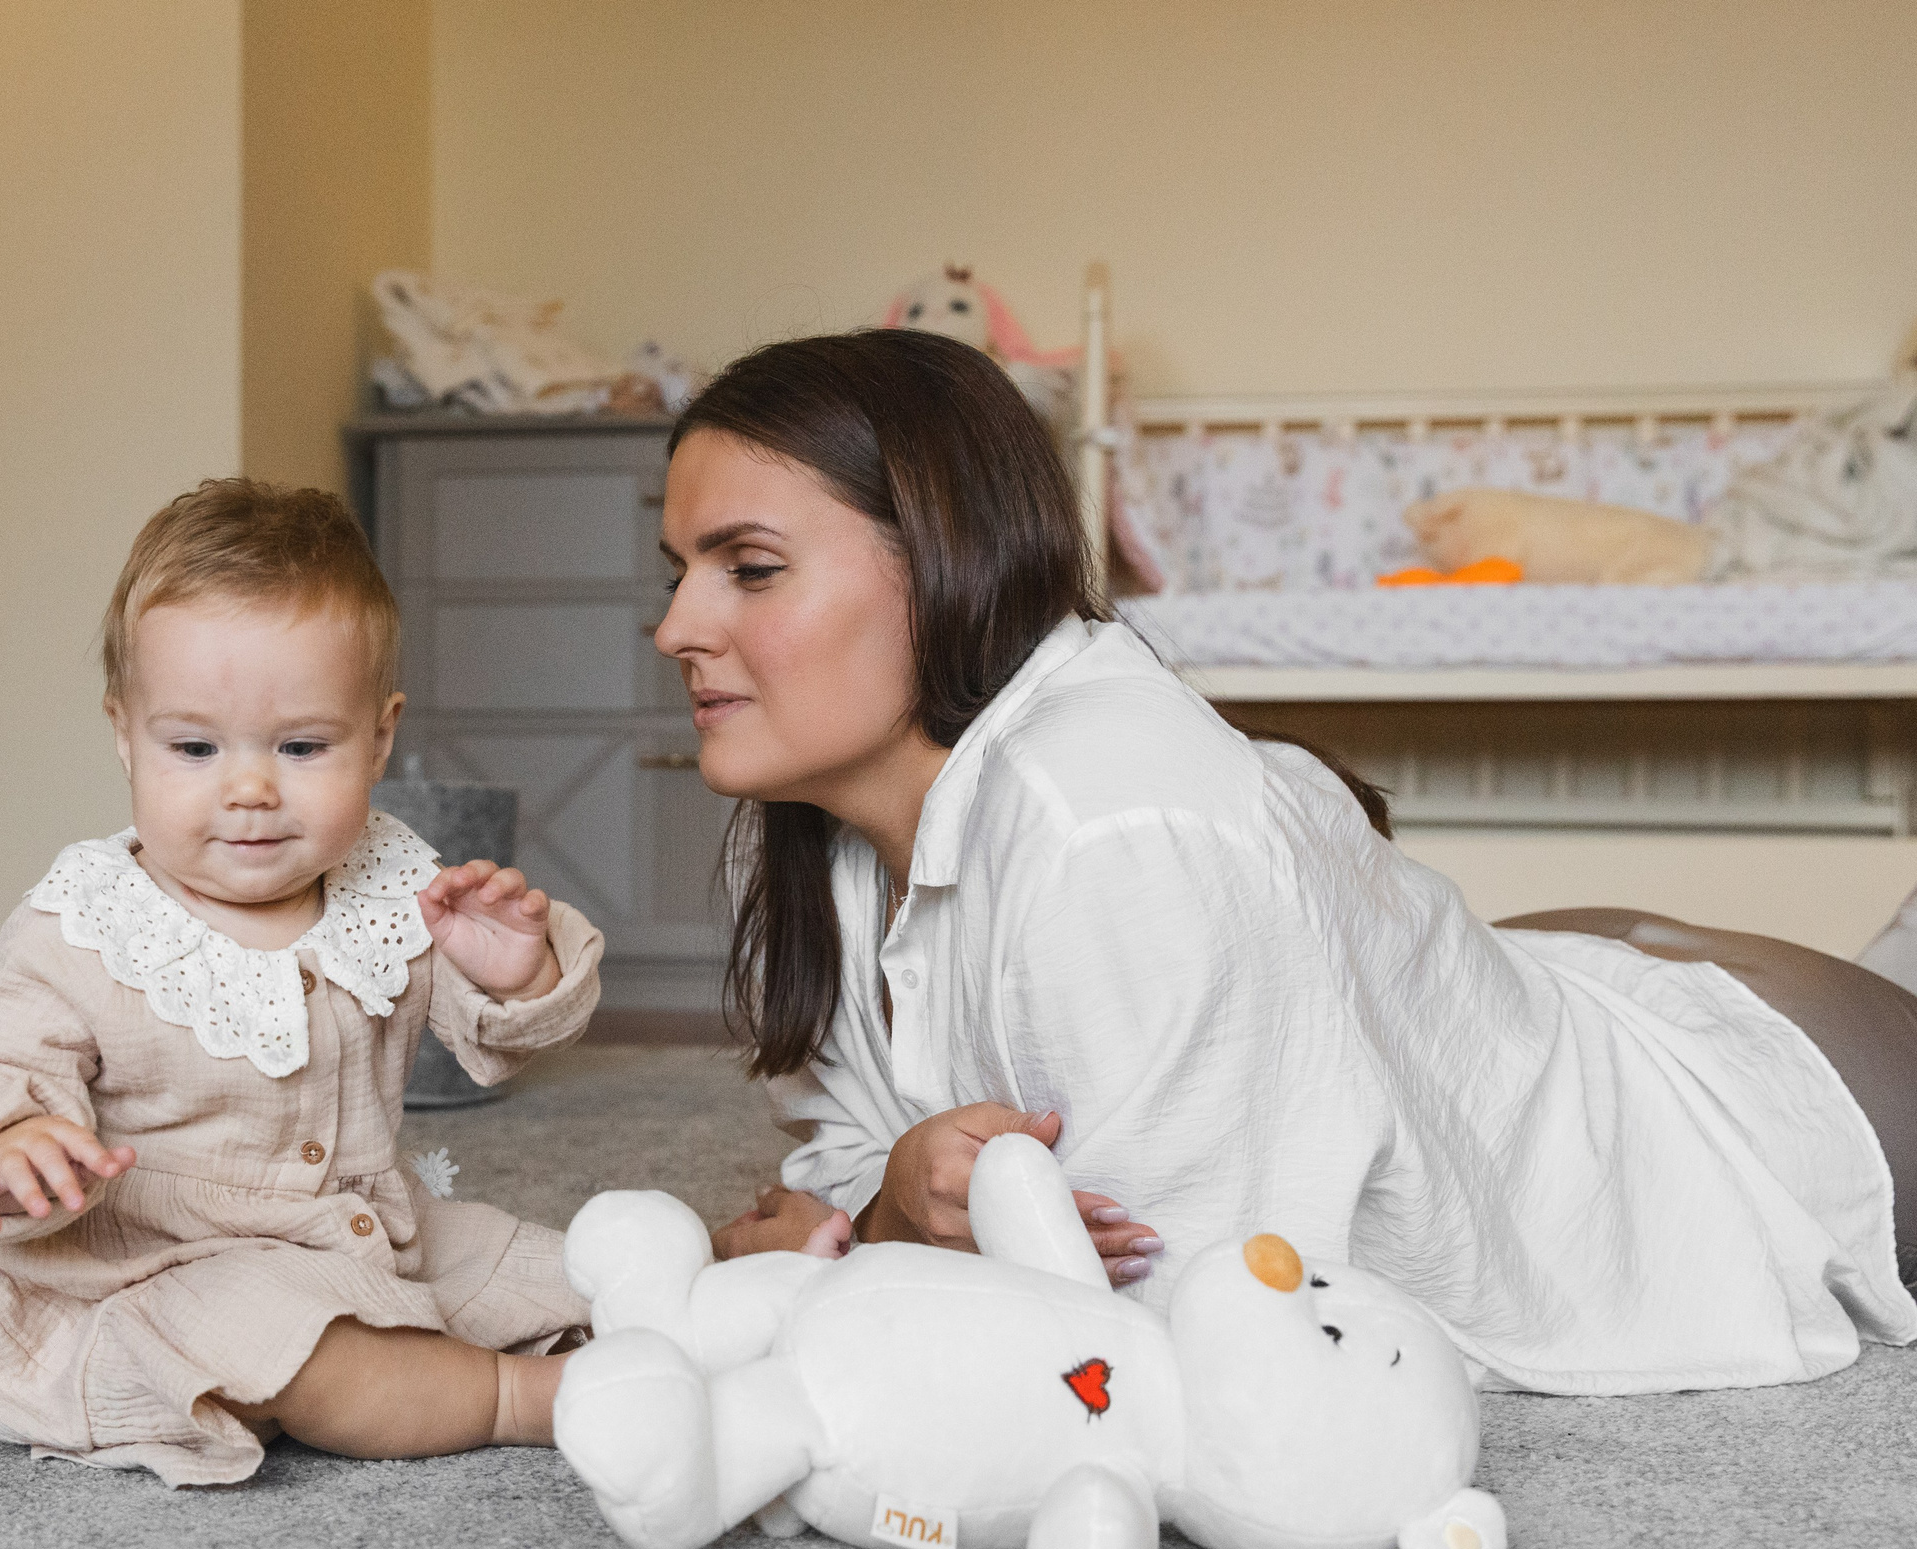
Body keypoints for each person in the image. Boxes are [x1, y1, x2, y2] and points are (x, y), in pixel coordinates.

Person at [674, 329, 1917, 1393]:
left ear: (944, 560)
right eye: (674, 569)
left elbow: (1196, 1353)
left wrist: (848, 1271)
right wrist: (889, 1212)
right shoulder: (789, 839)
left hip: (1763, 1114)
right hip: (1543, 991)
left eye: (751, 569)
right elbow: (856, 1176)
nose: (677, 628)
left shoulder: (1115, 835)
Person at [0, 478, 602, 1486]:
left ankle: (689, 1291)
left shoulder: (393, 883)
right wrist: (8, 1140)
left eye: (303, 747)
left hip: (355, 1226)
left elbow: (508, 1037)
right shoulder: (90, 923)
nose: (249, 790)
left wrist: (516, 971)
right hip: (142, 1269)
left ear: (380, 736)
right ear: (122, 732)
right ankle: (515, 1397)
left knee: (524, 1261)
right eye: (193, 748)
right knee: (294, 1337)